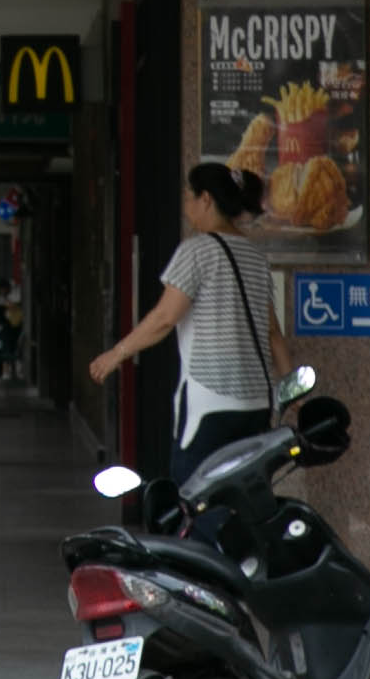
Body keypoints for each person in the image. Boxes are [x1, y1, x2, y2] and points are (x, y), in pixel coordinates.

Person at [87, 160, 285, 487]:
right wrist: (294, 392)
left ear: (205, 199)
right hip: (257, 404)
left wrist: (116, 354)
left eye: (188, 198)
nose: (186, 207)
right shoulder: (254, 255)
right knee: (245, 498)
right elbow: (273, 333)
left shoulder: (197, 251)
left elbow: (164, 318)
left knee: (199, 498)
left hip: (212, 402)